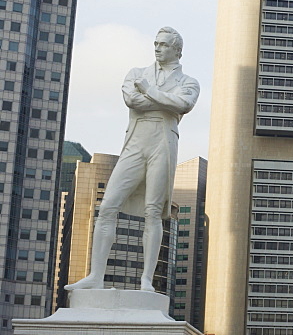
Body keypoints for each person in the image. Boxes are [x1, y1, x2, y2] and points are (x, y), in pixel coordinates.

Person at [65, 27, 199, 292]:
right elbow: (132, 101)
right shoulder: (136, 73)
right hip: (136, 141)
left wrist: (149, 91)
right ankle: (95, 276)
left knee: (154, 212)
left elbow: (183, 105)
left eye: (163, 45)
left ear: (177, 50)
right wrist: (164, 101)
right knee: (108, 206)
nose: (158, 48)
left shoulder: (189, 81)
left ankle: (147, 279)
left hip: (163, 141)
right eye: (156, 43)